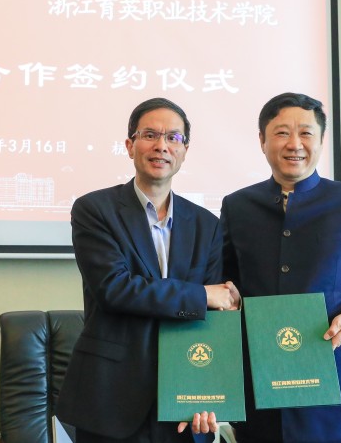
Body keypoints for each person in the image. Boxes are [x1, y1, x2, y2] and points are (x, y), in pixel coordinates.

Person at [220, 92, 341, 442]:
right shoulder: (238, 206)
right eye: (281, 133)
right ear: (262, 140)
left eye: (306, 133)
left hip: (337, 398)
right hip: (261, 396)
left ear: (322, 140)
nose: (294, 144)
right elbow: (225, 284)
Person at [56, 97, 241, 443]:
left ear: (185, 150)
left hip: (185, 403)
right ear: (130, 146)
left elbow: (213, 320)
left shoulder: (207, 225)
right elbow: (115, 289)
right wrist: (201, 295)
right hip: (111, 398)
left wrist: (207, 391)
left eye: (173, 138)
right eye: (150, 135)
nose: (162, 146)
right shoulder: (94, 209)